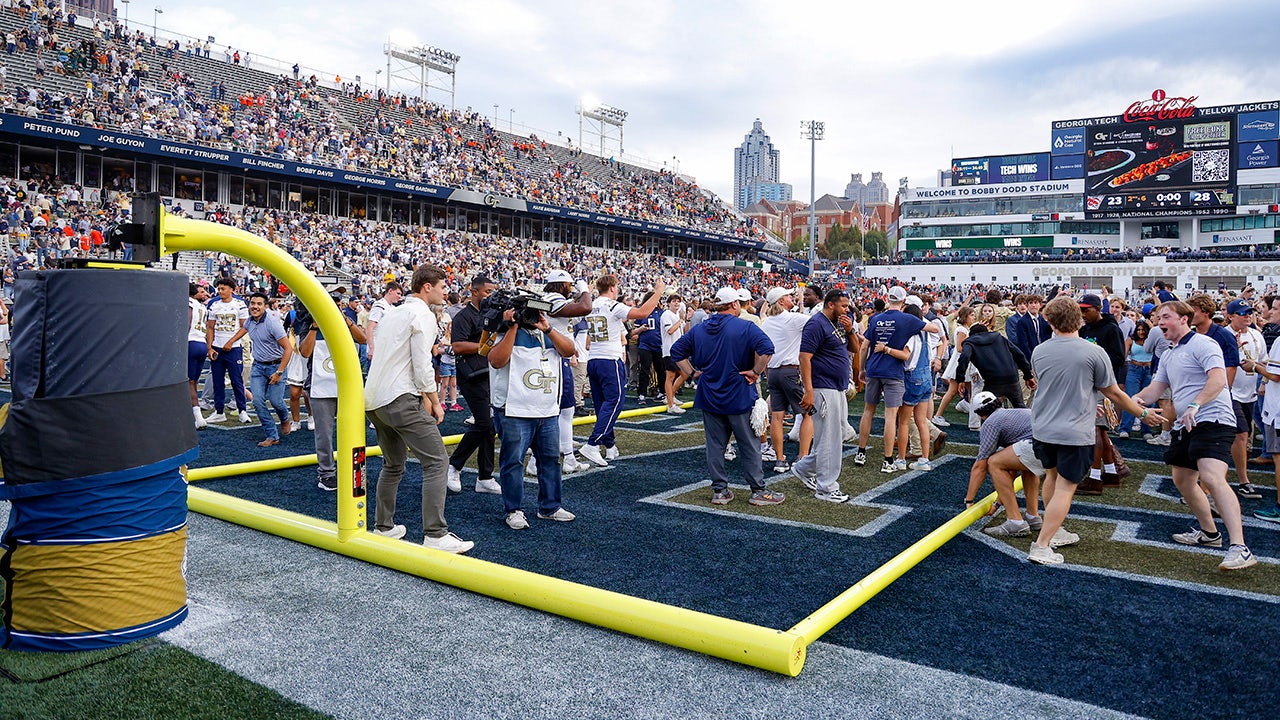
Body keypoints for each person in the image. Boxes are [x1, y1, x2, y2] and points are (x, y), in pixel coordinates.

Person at [1026, 297, 1163, 566]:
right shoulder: (1093, 352)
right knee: (1066, 487)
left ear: (1049, 321)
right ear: (1078, 318)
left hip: (1043, 426)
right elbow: (1112, 392)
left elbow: (1057, 386)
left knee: (1052, 478)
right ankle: (1042, 545)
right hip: (1073, 430)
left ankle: (1052, 531)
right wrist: (1143, 413)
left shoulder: (1039, 350)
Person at [1130, 301, 1257, 570]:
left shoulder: (1204, 344)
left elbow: (1218, 379)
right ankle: (1210, 534)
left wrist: (1194, 405)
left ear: (1184, 319)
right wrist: (1135, 400)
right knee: (1183, 479)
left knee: (1211, 476)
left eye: (1165, 317)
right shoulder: (1168, 353)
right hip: (1187, 424)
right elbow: (1156, 388)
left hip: (1214, 420)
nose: (1159, 322)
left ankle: (1240, 547)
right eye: (1157, 318)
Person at [364, 264, 473, 554]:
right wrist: (434, 401)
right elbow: (422, 363)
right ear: (427, 287)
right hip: (400, 397)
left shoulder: (394, 311)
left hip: (375, 399)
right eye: (442, 286)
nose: (444, 291)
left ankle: (383, 526)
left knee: (393, 465)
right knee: (437, 463)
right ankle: (436, 534)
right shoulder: (421, 314)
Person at [671, 287, 783, 507]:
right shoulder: (745, 326)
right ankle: (758, 490)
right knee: (749, 444)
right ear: (734, 305)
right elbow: (767, 349)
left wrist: (693, 373)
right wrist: (756, 372)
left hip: (710, 395)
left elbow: (677, 352)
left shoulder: (700, 329)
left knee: (715, 445)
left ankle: (720, 490)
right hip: (738, 394)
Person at [487, 301, 578, 529]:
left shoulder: (548, 332)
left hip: (546, 409)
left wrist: (546, 327)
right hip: (514, 408)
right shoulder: (506, 331)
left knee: (550, 460)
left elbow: (569, 350)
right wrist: (512, 326)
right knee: (513, 461)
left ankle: (550, 507)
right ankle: (514, 510)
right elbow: (496, 361)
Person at [579, 273, 666, 467]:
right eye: (616, 287)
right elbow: (643, 313)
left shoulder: (592, 305)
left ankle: (609, 445)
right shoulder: (612, 305)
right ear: (611, 288)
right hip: (609, 359)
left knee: (603, 405)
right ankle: (593, 444)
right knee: (615, 401)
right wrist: (659, 291)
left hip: (594, 358)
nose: (618, 290)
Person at [855, 285, 938, 473]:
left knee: (868, 411)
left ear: (887, 298)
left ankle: (861, 452)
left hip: (874, 368)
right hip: (894, 372)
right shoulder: (907, 319)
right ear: (903, 301)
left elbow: (864, 346)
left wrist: (862, 369)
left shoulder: (876, 318)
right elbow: (933, 329)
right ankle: (888, 460)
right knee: (892, 417)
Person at [299, 289, 369, 491]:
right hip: (320, 385)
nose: (337, 304)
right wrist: (314, 326)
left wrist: (345, 320)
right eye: (333, 301)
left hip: (346, 385)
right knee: (324, 433)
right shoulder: (308, 324)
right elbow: (305, 352)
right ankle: (327, 473)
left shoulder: (345, 321)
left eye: (338, 302)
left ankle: (355, 471)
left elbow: (362, 339)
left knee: (354, 430)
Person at [794, 289, 859, 502]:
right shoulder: (816, 324)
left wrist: (850, 330)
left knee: (838, 435)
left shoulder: (840, 323)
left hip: (837, 387)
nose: (847, 309)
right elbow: (804, 358)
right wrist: (809, 391)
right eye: (844, 305)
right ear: (831, 304)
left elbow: (855, 349)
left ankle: (804, 468)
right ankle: (826, 487)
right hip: (823, 388)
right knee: (829, 440)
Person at [447, 274, 501, 494]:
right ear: (474, 291)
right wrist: (485, 345)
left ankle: (485, 477)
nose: (491, 296)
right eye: (488, 291)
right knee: (485, 423)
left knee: (491, 425)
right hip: (472, 375)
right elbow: (457, 346)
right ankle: (454, 465)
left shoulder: (493, 315)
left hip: (492, 374)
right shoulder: (463, 316)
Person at [964, 392, 1044, 539]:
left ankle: (1016, 522)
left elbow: (980, 467)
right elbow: (1011, 472)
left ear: (979, 413)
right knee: (1027, 467)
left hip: (1039, 447)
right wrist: (996, 505)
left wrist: (969, 501)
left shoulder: (991, 423)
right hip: (1055, 447)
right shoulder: (1015, 413)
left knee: (993, 462)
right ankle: (1033, 516)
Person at [539, 269, 593, 475]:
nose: (571, 289)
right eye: (568, 285)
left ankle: (561, 456)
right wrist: (585, 289)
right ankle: (565, 458)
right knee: (562, 410)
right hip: (555, 358)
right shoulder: (553, 298)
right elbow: (585, 307)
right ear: (561, 284)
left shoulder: (548, 298)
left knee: (559, 410)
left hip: (556, 356)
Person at [761, 287, 813, 473]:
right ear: (781, 302)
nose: (792, 297)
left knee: (777, 416)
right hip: (790, 371)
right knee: (807, 414)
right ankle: (803, 459)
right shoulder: (793, 319)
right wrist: (800, 302)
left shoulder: (766, 323)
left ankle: (780, 460)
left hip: (773, 371)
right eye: (788, 296)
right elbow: (815, 322)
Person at [1226, 299, 1265, 499]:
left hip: (1249, 392)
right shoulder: (1224, 335)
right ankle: (1243, 481)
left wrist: (1263, 382)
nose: (1247, 316)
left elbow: (1264, 361)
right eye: (1242, 313)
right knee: (1240, 435)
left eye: (1249, 312)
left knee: (1244, 436)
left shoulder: (1257, 335)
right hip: (1229, 393)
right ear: (1231, 316)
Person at [244, 292, 293, 447]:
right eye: (253, 303)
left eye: (259, 304)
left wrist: (279, 372)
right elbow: (243, 329)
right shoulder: (249, 322)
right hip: (258, 366)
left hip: (276, 365)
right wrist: (230, 341)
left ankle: (284, 418)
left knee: (276, 401)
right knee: (257, 401)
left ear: (265, 306)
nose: (255, 307)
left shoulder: (273, 323)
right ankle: (272, 435)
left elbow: (288, 349)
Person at [205, 277, 251, 424]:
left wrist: (231, 341)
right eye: (219, 289)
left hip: (234, 348)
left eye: (223, 288)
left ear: (232, 289)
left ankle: (242, 410)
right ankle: (219, 411)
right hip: (218, 347)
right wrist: (210, 347)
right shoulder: (214, 305)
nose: (220, 291)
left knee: (237, 380)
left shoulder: (240, 305)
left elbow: (245, 327)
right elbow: (210, 327)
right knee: (217, 381)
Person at [660, 293, 692, 414]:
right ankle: (670, 404)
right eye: (674, 301)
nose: (676, 303)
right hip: (670, 350)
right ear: (668, 303)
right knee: (671, 376)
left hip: (678, 350)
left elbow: (685, 331)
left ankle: (670, 397)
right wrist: (681, 320)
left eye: (678, 301)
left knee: (684, 374)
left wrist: (687, 319)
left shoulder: (677, 315)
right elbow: (670, 330)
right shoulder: (666, 315)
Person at [186, 282, 209, 429]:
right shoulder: (202, 306)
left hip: (191, 342)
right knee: (193, 382)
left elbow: (187, 323)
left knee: (189, 382)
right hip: (202, 343)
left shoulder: (189, 303)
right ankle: (195, 413)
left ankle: (198, 417)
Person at [364, 281, 402, 364]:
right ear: (390, 291)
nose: (399, 296)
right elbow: (370, 327)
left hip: (387, 350)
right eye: (398, 293)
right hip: (377, 350)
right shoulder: (379, 305)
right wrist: (371, 348)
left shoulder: (393, 308)